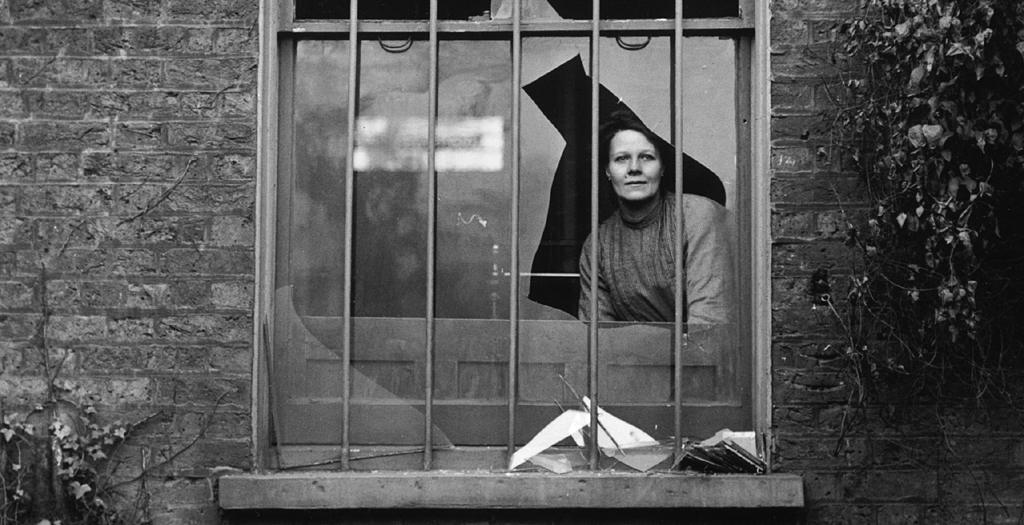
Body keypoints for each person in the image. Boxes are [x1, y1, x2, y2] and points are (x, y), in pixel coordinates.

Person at [578, 113, 734, 324]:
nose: (634, 168)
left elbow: (709, 324)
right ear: (607, 171)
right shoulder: (598, 245)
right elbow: (597, 336)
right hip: (639, 355)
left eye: (647, 157)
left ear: (662, 168)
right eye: (621, 158)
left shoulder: (697, 216)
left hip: (705, 353)